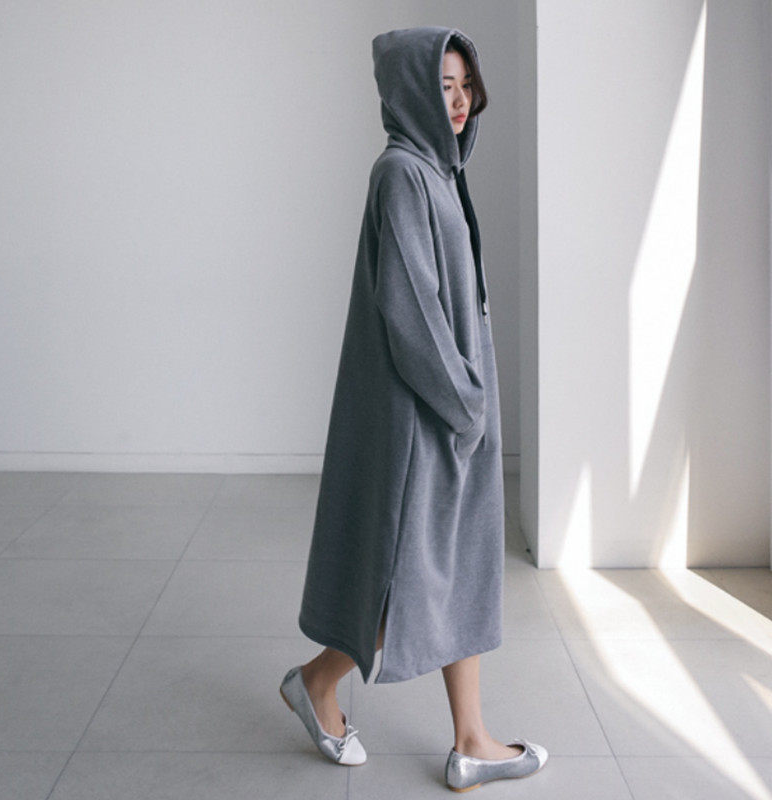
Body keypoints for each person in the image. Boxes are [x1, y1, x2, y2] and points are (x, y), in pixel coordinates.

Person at [279, 26, 548, 789]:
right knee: (407, 576)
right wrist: (467, 404)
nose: (458, 101)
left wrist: (469, 407)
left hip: (448, 415)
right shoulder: (401, 173)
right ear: (408, 92)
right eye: (442, 86)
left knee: (450, 569)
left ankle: (469, 739)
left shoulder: (439, 172)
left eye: (464, 85)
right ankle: (317, 683)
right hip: (425, 419)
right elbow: (412, 310)